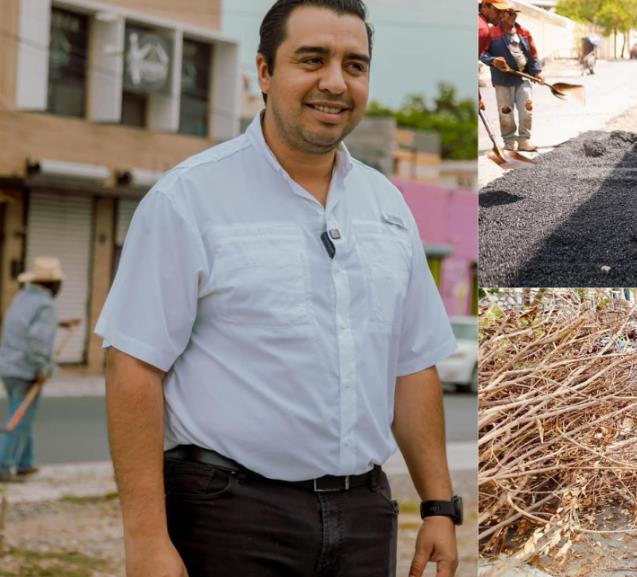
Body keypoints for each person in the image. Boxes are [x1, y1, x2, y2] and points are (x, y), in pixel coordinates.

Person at [94, 1, 461, 576]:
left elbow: (412, 364)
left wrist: (439, 504)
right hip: (230, 515)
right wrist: (145, 541)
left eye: (355, 65)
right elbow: (132, 366)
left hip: (364, 516)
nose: (335, 83)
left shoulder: (387, 206)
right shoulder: (188, 200)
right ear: (265, 72)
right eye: (311, 60)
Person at [0, 257, 67, 482]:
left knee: (21, 414)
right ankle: (2, 465)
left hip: (8, 367)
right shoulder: (47, 306)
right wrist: (42, 368)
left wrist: (60, 324)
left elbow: (24, 326)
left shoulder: (22, 297)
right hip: (26, 370)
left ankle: (24, 464)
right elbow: (37, 339)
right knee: (19, 418)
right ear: (52, 284)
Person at [481, 7, 542, 152]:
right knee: (506, 112)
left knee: (527, 110)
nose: (513, 16)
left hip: (522, 77)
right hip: (502, 79)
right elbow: (482, 53)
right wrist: (493, 60)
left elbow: (533, 54)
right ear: (502, 15)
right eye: (510, 13)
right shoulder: (491, 33)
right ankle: (509, 142)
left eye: (515, 13)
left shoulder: (523, 32)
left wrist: (536, 71)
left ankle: (524, 141)